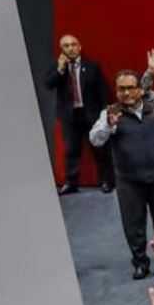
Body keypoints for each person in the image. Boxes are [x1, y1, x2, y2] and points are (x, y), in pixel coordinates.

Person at [88, 68, 154, 277]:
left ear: (140, 90)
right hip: (129, 182)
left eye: (131, 88)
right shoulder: (110, 112)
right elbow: (95, 139)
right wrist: (108, 127)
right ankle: (140, 263)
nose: (126, 93)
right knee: (133, 224)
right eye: (121, 89)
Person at [44, 32, 113, 195]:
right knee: (71, 150)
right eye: (66, 46)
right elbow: (48, 85)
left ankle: (106, 180)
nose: (71, 48)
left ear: (79, 47)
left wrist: (106, 112)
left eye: (73, 44)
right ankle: (70, 183)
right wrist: (60, 69)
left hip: (91, 113)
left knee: (99, 148)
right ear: (61, 50)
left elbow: (103, 91)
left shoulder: (92, 66)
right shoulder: (57, 67)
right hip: (69, 115)